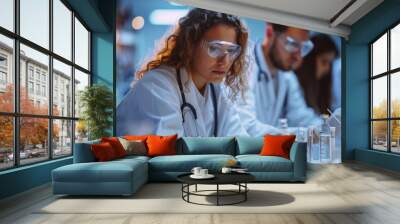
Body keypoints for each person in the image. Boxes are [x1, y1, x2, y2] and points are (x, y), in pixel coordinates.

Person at [116, 8, 249, 137]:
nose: (225, 61)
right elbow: (167, 154)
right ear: (190, 45)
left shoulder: (216, 93)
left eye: (231, 51)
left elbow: (240, 141)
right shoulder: (157, 86)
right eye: (214, 48)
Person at [236, 23, 322, 136]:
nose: (298, 56)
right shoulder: (244, 66)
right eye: (292, 44)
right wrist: (304, 133)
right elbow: (248, 128)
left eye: (304, 48)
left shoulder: (287, 77)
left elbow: (302, 118)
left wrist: (327, 126)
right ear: (270, 32)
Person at [295, 34, 339, 115]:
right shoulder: (294, 84)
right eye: (324, 61)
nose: (327, 69)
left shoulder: (321, 88)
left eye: (330, 63)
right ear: (310, 59)